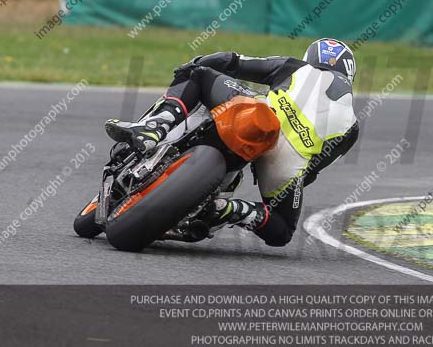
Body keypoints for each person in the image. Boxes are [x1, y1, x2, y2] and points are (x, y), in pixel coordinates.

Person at [105, 38, 359, 247]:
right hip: (287, 160)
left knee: (200, 75)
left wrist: (193, 64)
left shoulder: (297, 67)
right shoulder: (351, 126)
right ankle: (231, 209)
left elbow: (235, 62)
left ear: (310, 58)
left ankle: (154, 128)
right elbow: (313, 170)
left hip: (261, 114)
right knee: (282, 231)